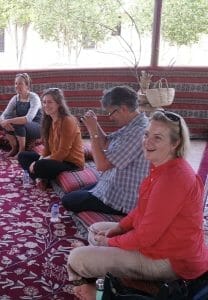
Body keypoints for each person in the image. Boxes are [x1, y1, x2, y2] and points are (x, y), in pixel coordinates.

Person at [67, 110, 208, 300]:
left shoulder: (173, 179)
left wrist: (110, 242)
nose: (147, 142)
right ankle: (112, 276)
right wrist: (119, 227)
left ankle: (99, 293)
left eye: (157, 138)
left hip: (172, 261)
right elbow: (142, 210)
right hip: (161, 243)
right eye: (146, 134)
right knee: (95, 229)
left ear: (175, 144)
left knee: (77, 258)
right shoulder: (162, 165)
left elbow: (145, 237)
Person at [61, 85, 150, 215]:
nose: (110, 117)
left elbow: (101, 165)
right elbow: (106, 143)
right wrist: (95, 124)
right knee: (72, 194)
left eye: (111, 112)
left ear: (123, 109)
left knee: (68, 200)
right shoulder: (133, 124)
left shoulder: (139, 131)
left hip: (121, 198)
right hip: (110, 184)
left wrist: (92, 132)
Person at [18, 87, 84, 190]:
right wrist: (39, 160)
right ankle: (39, 179)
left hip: (70, 163)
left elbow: (63, 153)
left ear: (58, 104)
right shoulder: (48, 121)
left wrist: (38, 164)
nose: (46, 105)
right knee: (23, 156)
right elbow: (47, 149)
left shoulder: (68, 121)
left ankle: (41, 176)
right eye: (44, 102)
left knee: (39, 166)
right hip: (55, 159)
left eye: (50, 102)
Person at [0, 73, 42, 158]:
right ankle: (14, 148)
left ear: (27, 85)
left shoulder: (34, 97)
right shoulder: (15, 98)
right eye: (16, 83)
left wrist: (8, 121)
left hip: (36, 126)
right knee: (3, 119)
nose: (17, 86)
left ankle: (21, 151)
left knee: (14, 122)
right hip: (22, 125)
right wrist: (4, 121)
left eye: (20, 83)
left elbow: (28, 119)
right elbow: (5, 114)